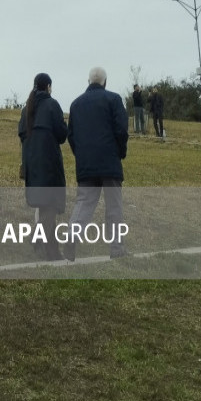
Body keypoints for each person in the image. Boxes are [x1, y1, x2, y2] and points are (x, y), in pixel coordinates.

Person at [65, 67, 130, 261]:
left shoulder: (75, 104)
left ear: (88, 81)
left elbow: (71, 135)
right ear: (105, 81)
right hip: (109, 160)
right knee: (114, 207)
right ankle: (117, 249)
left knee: (84, 203)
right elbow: (121, 130)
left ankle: (71, 235)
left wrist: (81, 155)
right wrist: (120, 152)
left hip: (86, 163)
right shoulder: (114, 99)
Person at [19, 72, 68, 261]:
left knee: (44, 205)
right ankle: (52, 252)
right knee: (49, 208)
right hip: (49, 164)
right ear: (48, 86)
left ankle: (36, 240)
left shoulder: (26, 109)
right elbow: (62, 135)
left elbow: (22, 136)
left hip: (32, 165)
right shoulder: (52, 105)